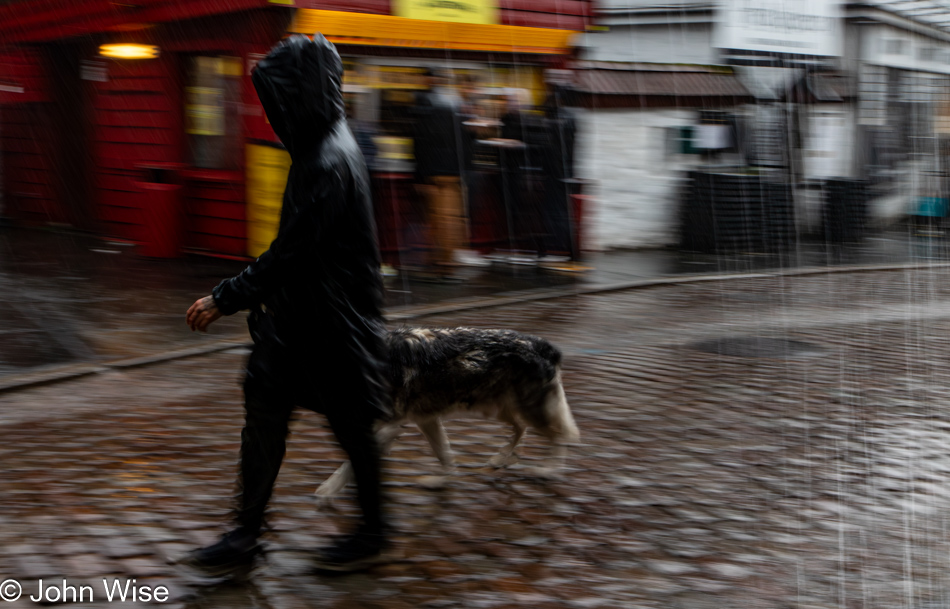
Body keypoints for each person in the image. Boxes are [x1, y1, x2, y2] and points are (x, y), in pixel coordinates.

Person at [181, 33, 391, 576]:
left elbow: (291, 253)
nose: (274, 114)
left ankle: (372, 532)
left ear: (302, 97)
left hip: (332, 322)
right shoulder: (326, 143)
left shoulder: (327, 160)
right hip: (305, 318)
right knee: (267, 410)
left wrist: (224, 298)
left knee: (349, 426)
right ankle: (245, 536)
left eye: (280, 100)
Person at [412, 69, 468, 280]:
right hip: (453, 172)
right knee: (452, 218)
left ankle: (442, 262)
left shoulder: (426, 103)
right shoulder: (454, 103)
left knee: (439, 219)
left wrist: (420, 174)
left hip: (435, 172)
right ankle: (448, 259)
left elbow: (421, 142)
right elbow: (463, 140)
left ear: (428, 79)